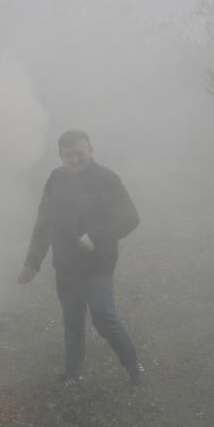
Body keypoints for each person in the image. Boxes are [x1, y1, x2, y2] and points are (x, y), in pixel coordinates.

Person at [18, 130, 145, 386]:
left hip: (98, 265)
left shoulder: (107, 180)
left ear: (91, 150)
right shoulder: (55, 179)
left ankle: (134, 367)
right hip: (65, 265)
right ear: (60, 156)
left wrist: (95, 237)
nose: (75, 159)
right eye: (69, 155)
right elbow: (44, 222)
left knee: (104, 319)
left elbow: (131, 218)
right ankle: (73, 373)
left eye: (80, 153)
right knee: (72, 319)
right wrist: (33, 262)